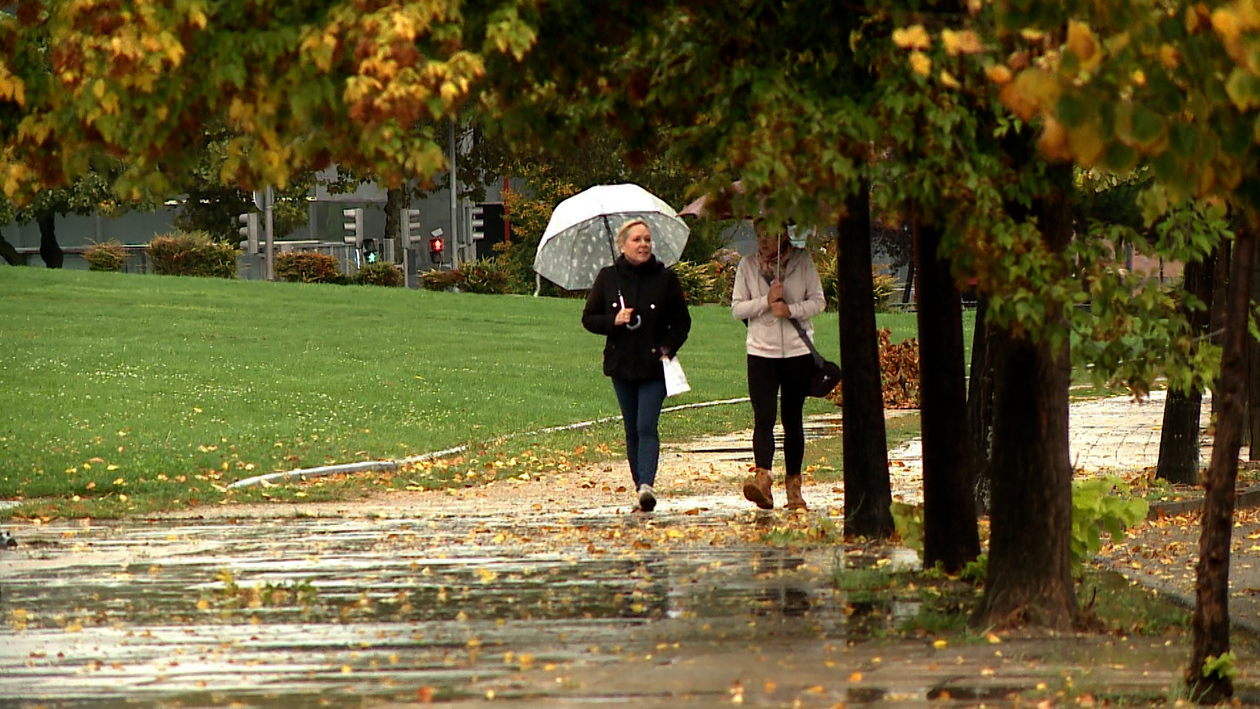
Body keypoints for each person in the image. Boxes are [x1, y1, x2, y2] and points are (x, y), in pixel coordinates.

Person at [582, 219, 692, 512]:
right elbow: (589, 318)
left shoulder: (665, 278)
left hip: (653, 367)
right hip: (621, 365)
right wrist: (614, 320)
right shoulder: (608, 278)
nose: (643, 245)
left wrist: (666, 349)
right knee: (631, 428)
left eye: (647, 239)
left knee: (646, 425)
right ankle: (639, 486)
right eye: (636, 240)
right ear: (622, 245)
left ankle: (647, 484)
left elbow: (682, 322)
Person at [730, 222, 826, 510]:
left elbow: (818, 301)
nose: (763, 241)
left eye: (769, 235)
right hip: (761, 352)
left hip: (797, 352)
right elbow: (737, 308)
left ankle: (794, 488)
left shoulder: (802, 262)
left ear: (783, 235)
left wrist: (791, 309)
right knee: (764, 416)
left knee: (792, 419)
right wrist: (766, 301)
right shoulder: (747, 266)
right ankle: (763, 480)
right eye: (759, 235)